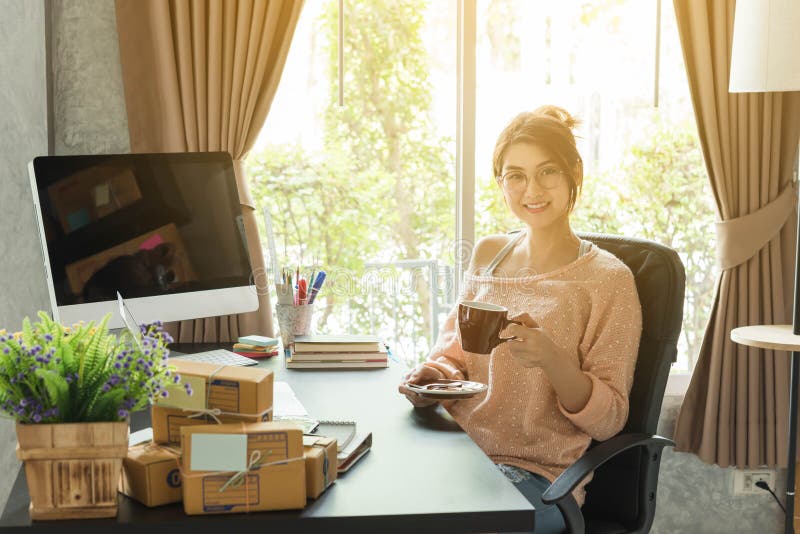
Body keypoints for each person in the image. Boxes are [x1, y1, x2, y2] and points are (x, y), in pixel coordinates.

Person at [398, 105, 642, 534]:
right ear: (501, 183)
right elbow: (455, 353)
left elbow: (610, 420)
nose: (532, 189)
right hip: (459, 453)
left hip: (540, 478)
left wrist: (552, 358)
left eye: (547, 171)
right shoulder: (489, 254)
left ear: (573, 173)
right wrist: (431, 376)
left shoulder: (608, 280)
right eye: (516, 175)